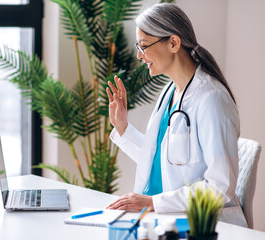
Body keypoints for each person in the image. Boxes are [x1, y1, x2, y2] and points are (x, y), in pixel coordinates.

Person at [105, 3, 247, 227]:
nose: (139, 56)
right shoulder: (171, 92)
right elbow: (163, 160)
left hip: (204, 225)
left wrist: (153, 202)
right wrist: (123, 127)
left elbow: (220, 187)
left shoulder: (211, 99)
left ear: (173, 43)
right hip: (165, 219)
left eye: (143, 46)